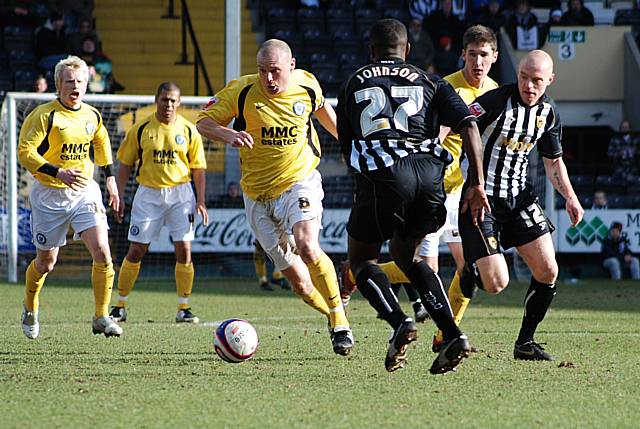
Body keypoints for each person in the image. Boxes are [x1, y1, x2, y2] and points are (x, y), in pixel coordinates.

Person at [337, 18, 490, 374]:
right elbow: (469, 124)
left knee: (361, 261)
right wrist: (476, 183)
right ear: (407, 50)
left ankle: (399, 322)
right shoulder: (431, 80)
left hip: (387, 176)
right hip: (430, 175)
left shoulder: (353, 82)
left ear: (371, 51)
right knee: (408, 255)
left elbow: (348, 149)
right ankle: (452, 333)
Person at [196, 39, 354, 356]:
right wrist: (229, 134)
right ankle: (333, 313)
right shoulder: (241, 91)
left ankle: (340, 323)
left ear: (291, 66)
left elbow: (325, 113)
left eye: (275, 72)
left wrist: (353, 150)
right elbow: (203, 121)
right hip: (256, 196)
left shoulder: (307, 84)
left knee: (308, 245)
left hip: (299, 181)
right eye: (263, 71)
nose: (268, 79)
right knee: (300, 283)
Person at [458, 50, 584, 361]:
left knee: (548, 270)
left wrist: (570, 196)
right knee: (496, 284)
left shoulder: (549, 113)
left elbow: (553, 161)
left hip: (520, 199)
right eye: (524, 78)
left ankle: (525, 343)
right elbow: (458, 122)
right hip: (481, 200)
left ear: (549, 81)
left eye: (537, 81)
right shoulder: (494, 102)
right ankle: (471, 268)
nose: (528, 85)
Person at [18, 55, 122, 339]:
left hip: (84, 191)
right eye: (69, 81)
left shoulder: (92, 115)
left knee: (102, 250)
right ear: (58, 85)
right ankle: (30, 305)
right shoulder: (43, 115)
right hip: (48, 195)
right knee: (46, 263)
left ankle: (101, 315)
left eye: (79, 81)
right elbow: (25, 153)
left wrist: (110, 179)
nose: (75, 86)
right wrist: (57, 172)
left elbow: (101, 142)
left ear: (86, 85)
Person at [109, 82, 208, 324]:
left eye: (173, 100)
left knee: (184, 250)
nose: (169, 104)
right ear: (157, 100)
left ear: (180, 103)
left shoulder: (188, 130)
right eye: (165, 99)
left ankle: (184, 308)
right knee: (136, 250)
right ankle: (119, 305)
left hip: (181, 195)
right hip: (149, 195)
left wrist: (202, 201)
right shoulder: (141, 128)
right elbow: (125, 165)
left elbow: (198, 169)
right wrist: (118, 196)